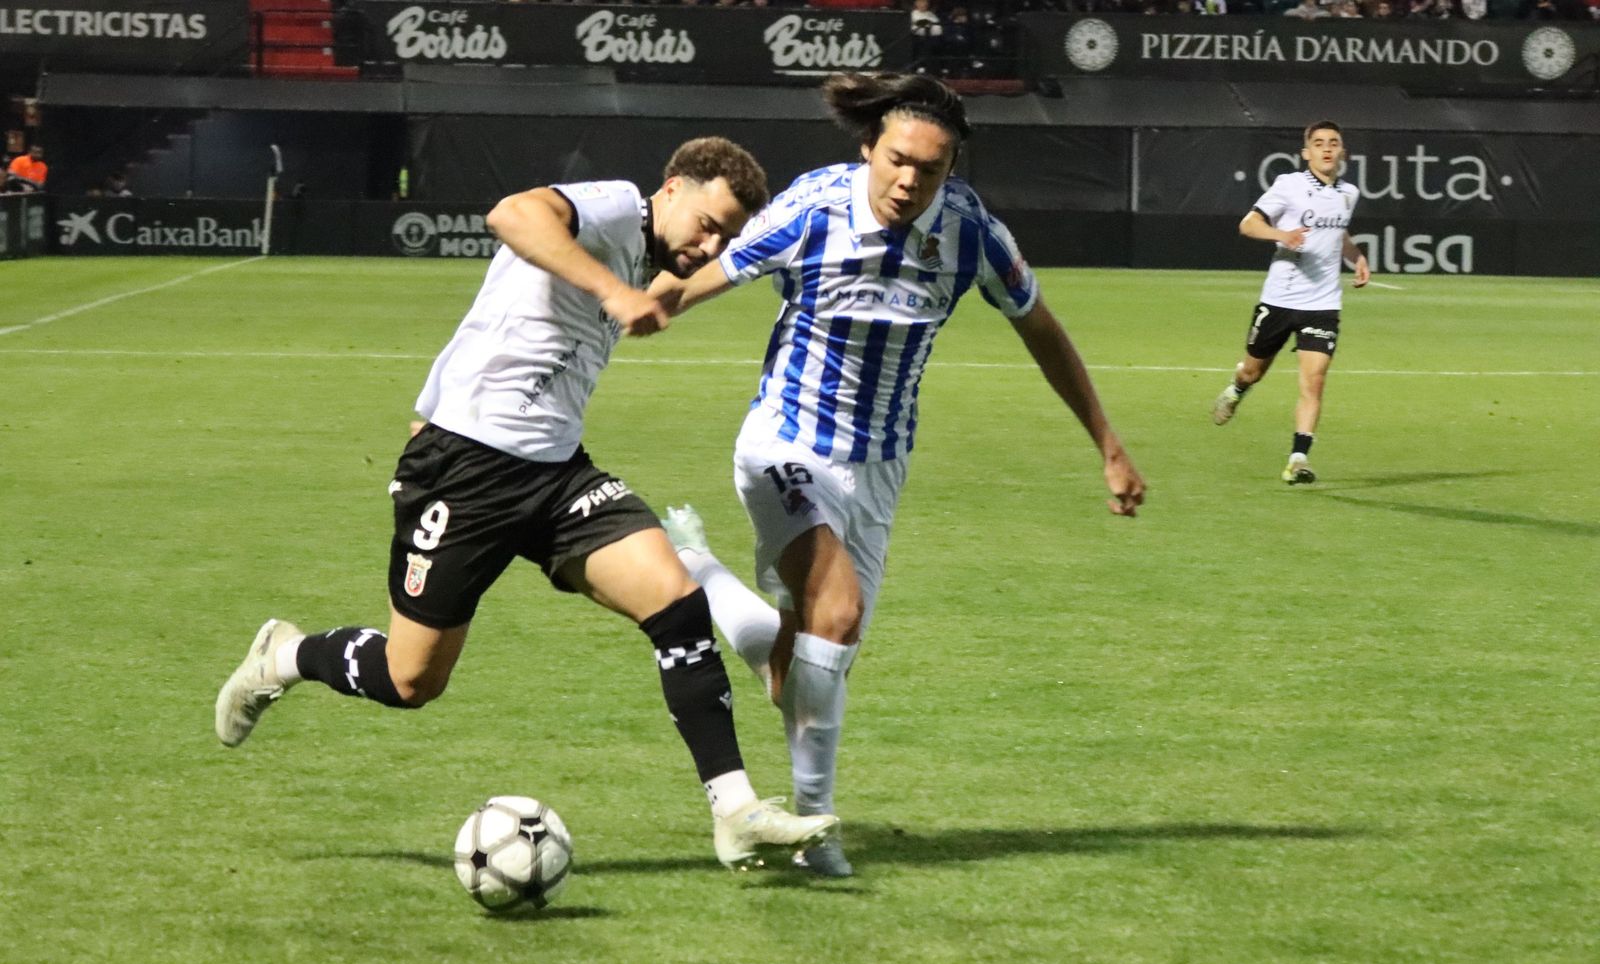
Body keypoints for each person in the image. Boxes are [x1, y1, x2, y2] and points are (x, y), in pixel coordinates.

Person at [214, 137, 838, 871]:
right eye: (708, 224)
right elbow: (513, 213)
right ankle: (283, 655)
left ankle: (736, 811)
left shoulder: (652, 256)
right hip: (462, 472)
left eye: (727, 238)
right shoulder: (612, 209)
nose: (710, 246)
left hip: (556, 477)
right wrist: (613, 291)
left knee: (677, 602)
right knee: (410, 680)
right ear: (670, 190)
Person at [649, 73, 1145, 877]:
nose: (910, 181)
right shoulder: (814, 207)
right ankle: (817, 834)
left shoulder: (972, 234)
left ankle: (696, 571)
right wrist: (633, 304)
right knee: (835, 616)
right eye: (898, 160)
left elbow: (1042, 330)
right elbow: (710, 272)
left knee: (797, 674)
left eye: (932, 169)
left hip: (878, 471)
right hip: (784, 444)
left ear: (953, 172)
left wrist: (1108, 443)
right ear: (868, 150)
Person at [1211, 120, 1371, 483]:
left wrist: (1356, 257)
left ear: (1342, 151)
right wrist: (1282, 234)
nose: (1327, 148)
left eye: (1333, 142)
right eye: (1319, 143)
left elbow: (1339, 230)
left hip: (1323, 303)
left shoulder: (1349, 193)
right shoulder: (1289, 186)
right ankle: (1236, 390)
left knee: (1314, 381)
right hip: (1280, 299)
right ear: (1306, 153)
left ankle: (1298, 458)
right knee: (1253, 372)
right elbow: (1248, 224)